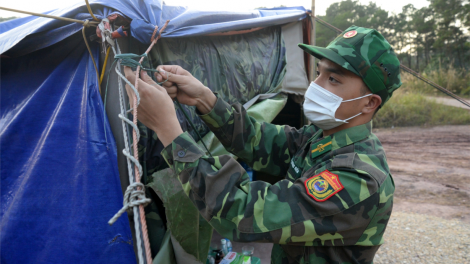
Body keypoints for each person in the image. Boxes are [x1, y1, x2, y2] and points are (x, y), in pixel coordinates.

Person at [124, 25, 402, 264]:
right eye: (317, 73)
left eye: (332, 79)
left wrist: (169, 131)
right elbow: (258, 140)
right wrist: (204, 100)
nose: (314, 85)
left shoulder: (359, 179)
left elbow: (240, 212)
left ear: (369, 103)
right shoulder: (322, 137)